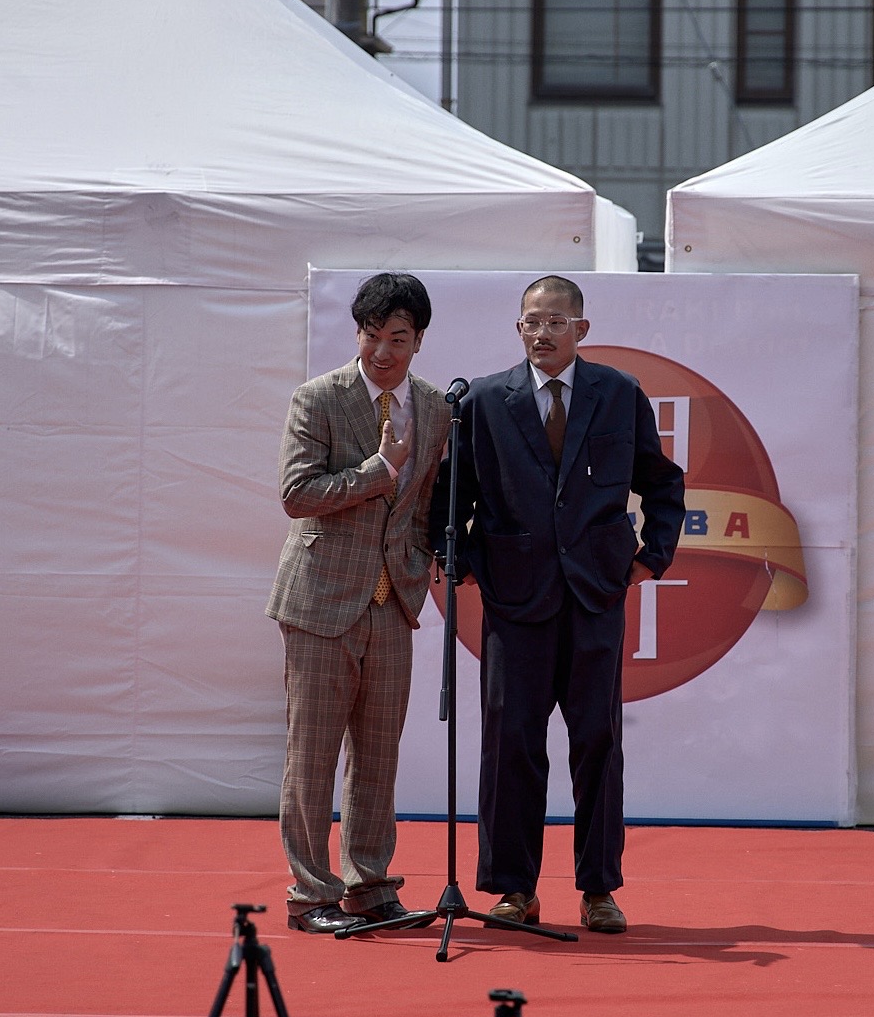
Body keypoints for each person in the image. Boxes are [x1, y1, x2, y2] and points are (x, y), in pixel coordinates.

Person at [431, 275, 685, 934]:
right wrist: (460, 559)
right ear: (517, 329)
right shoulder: (485, 399)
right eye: (529, 322)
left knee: (596, 742)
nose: (539, 333)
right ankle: (512, 888)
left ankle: (598, 887)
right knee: (510, 743)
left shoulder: (617, 393)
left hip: (596, 593)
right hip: (514, 600)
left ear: (581, 329)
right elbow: (449, 496)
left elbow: (661, 483)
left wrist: (650, 555)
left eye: (552, 322)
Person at [266, 272, 451, 933]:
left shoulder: (432, 407)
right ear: (358, 334)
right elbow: (295, 494)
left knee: (377, 756)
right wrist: (378, 470)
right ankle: (309, 892)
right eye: (371, 336)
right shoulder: (317, 398)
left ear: (419, 339)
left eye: (396, 338)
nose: (382, 352)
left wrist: (425, 564)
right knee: (312, 754)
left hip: (391, 602)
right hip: (319, 601)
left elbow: (426, 504)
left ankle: (369, 885)